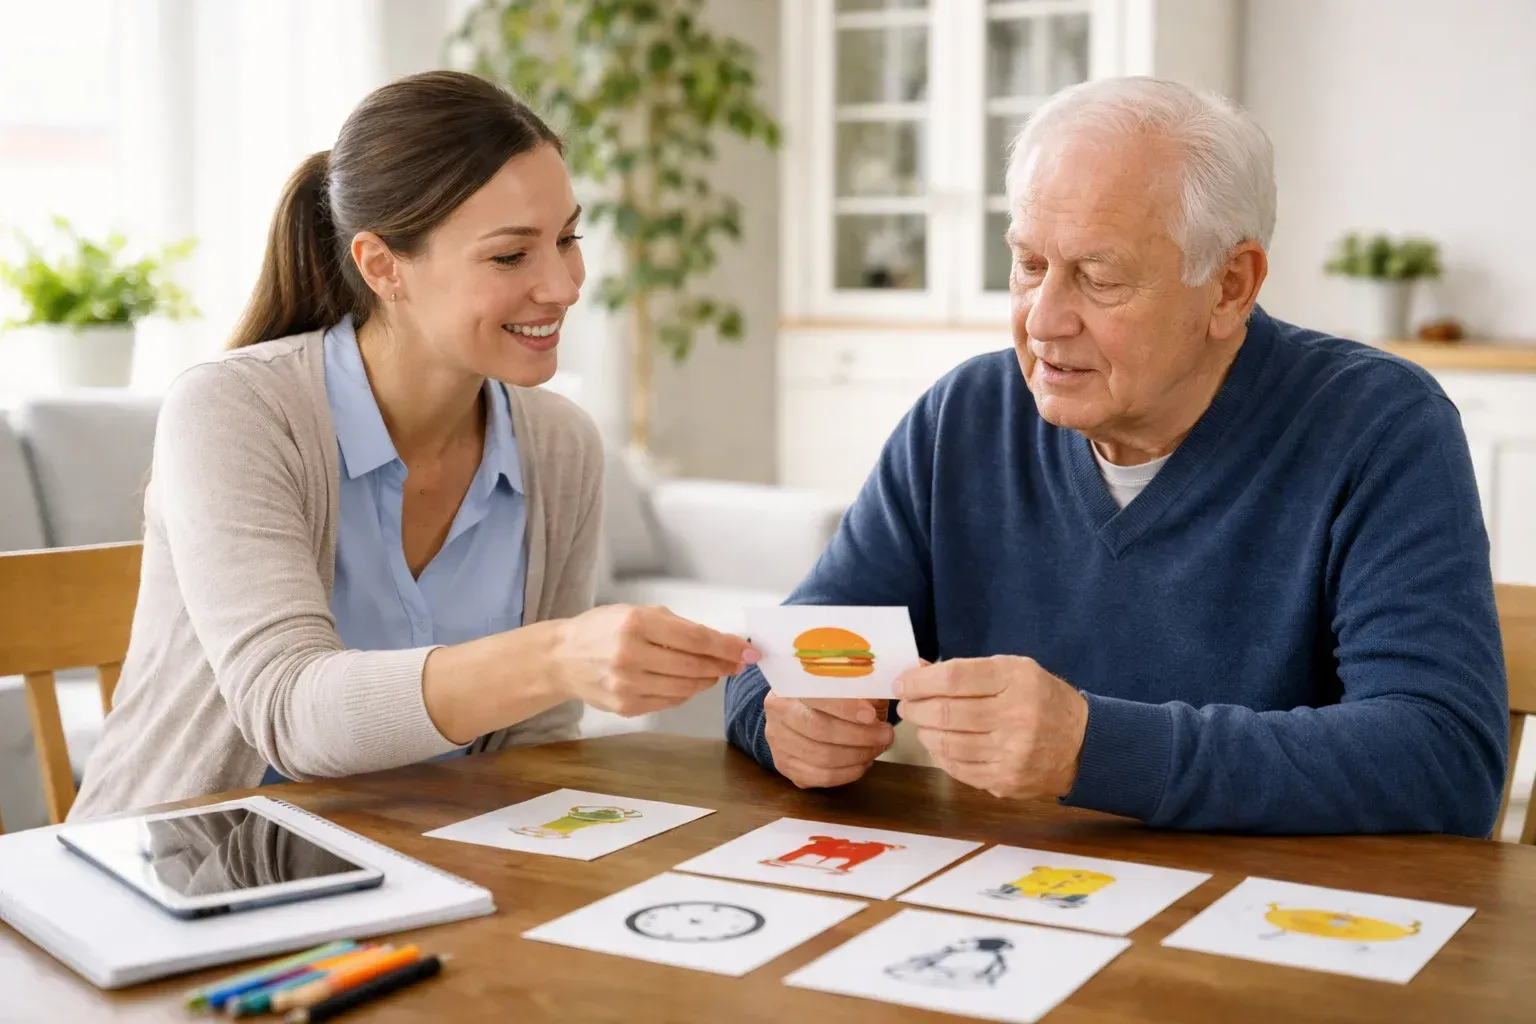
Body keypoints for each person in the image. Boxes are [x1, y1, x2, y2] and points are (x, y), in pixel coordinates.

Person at [724, 77, 1508, 836]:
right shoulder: (964, 417)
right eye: (1029, 265)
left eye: (1098, 279)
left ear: (1230, 286)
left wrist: (1094, 748)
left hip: (1265, 932)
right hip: (1010, 911)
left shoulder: (1380, 425)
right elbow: (784, 657)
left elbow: (1443, 759)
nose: (1043, 320)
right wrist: (781, 719)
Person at [72, 71, 757, 819]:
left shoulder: (560, 444)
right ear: (381, 266)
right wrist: (559, 657)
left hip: (427, 866)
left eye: (567, 239)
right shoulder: (235, 410)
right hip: (182, 872)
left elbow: (534, 746)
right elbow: (290, 711)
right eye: (510, 256)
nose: (562, 286)